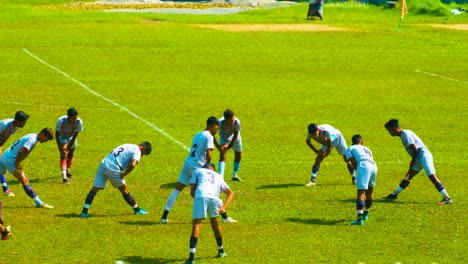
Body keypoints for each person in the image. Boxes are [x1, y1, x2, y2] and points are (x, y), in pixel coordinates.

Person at [161, 117, 236, 224]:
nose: (217, 130)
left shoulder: (198, 134)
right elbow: (208, 154)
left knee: (176, 190)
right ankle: (224, 216)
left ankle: (164, 217)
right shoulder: (209, 136)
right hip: (198, 167)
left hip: (187, 164)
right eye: (217, 127)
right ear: (212, 125)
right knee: (211, 192)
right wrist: (208, 169)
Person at [383, 119, 452, 204]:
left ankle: (447, 198)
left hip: (423, 155)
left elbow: (414, 148)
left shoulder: (405, 134)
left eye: (389, 130)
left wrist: (413, 160)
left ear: (395, 128)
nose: (390, 133)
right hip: (419, 157)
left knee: (432, 176)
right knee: (409, 176)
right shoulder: (403, 134)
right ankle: (394, 194)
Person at [79, 142, 152, 218]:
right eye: (144, 154)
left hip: (103, 164)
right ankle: (137, 210)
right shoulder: (137, 151)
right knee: (124, 190)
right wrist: (124, 174)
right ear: (143, 148)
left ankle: (84, 212)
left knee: (94, 189)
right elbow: (133, 164)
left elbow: (112, 152)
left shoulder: (128, 145)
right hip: (113, 169)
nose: (142, 156)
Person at [185, 163, 234, 264]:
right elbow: (231, 193)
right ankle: (221, 251)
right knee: (215, 225)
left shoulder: (198, 171)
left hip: (201, 196)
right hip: (214, 199)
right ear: (213, 169)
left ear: (205, 168)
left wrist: (199, 201)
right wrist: (223, 208)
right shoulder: (218, 176)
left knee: (197, 225)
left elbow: (192, 190)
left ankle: (191, 258)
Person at [0, 128, 54, 209]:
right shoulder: (32, 139)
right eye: (46, 139)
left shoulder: (32, 135)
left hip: (5, 156)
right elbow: (22, 151)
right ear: (43, 134)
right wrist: (18, 163)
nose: (45, 141)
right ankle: (39, 202)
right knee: (24, 181)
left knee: (24, 180)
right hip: (10, 160)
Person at [345, 135, 377, 226]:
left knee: (361, 193)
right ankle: (365, 214)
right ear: (362, 142)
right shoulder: (367, 149)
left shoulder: (350, 148)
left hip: (363, 166)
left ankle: (359, 220)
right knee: (369, 193)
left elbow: (352, 161)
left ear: (352, 142)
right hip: (374, 167)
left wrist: (357, 171)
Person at [0, 111, 30, 196]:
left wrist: (1, 146)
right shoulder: (5, 125)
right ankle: (5, 189)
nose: (25, 124)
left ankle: (5, 189)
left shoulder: (15, 127)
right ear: (18, 121)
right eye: (24, 122)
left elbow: (6, 136)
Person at [55, 108, 83, 184]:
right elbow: (57, 135)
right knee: (63, 154)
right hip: (62, 136)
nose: (75, 119)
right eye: (73, 118)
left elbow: (74, 136)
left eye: (76, 117)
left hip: (71, 137)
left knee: (70, 154)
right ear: (68, 117)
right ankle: (64, 177)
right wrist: (60, 149)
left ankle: (67, 170)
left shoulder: (79, 122)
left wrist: (69, 148)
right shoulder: (61, 121)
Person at [215, 109, 243, 182]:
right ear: (225, 120)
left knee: (239, 155)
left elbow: (235, 136)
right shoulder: (219, 123)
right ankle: (220, 177)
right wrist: (219, 147)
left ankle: (234, 175)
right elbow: (212, 135)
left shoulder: (237, 122)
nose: (232, 121)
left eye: (233, 119)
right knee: (222, 155)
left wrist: (228, 147)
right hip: (224, 137)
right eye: (231, 120)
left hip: (235, 138)